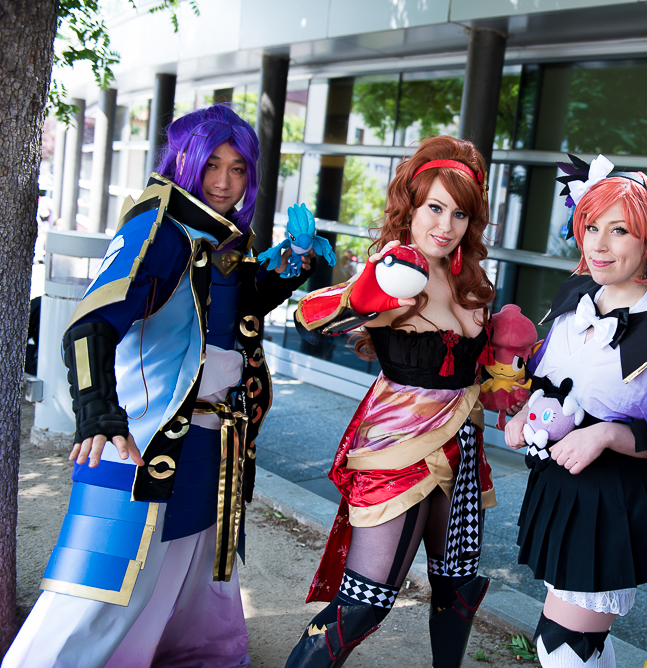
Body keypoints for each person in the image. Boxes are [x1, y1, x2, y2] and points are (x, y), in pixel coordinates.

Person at [3, 104, 316, 668]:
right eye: (212, 164)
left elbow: (229, 309)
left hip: (210, 439)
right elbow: (90, 323)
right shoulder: (157, 229)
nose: (224, 181)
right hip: (140, 439)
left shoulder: (218, 235)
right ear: (184, 162)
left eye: (238, 168)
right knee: (96, 583)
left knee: (188, 566)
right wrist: (98, 411)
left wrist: (293, 263)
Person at [287, 135, 497, 668]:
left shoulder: (471, 281)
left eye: (459, 214)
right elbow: (308, 317)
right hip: (398, 451)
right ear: (411, 206)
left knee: (458, 593)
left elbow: (479, 372)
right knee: (363, 604)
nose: (446, 226)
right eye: (434, 208)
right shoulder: (393, 273)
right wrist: (361, 295)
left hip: (463, 451)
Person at [504, 158, 647, 668]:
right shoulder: (573, 302)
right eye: (592, 227)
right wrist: (523, 415)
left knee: (561, 645)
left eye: (620, 230)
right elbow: (545, 383)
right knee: (583, 645)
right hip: (558, 488)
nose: (599, 244)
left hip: (611, 501)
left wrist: (608, 434)